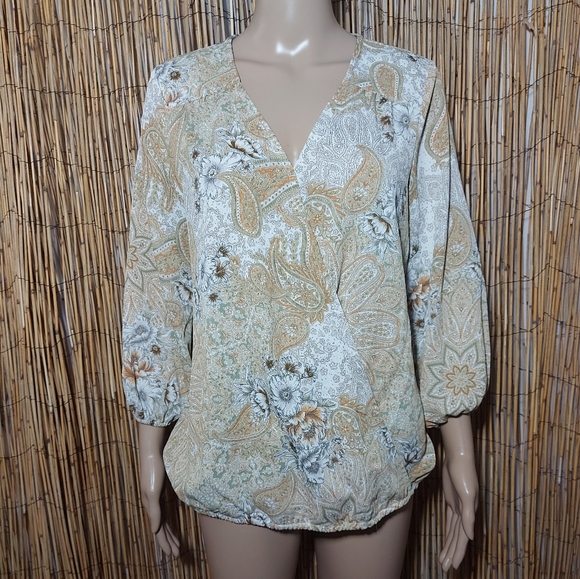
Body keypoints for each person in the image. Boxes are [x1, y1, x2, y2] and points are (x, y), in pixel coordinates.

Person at [122, 1, 490, 577]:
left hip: (369, 440)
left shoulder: (407, 88)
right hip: (233, 441)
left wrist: (457, 439)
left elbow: (438, 267)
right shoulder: (181, 92)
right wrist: (151, 438)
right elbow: (158, 271)